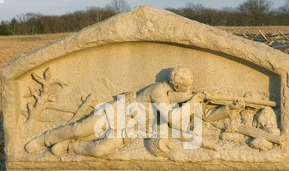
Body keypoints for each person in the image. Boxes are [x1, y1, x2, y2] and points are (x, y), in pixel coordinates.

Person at [24, 66, 204, 157]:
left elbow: (180, 97)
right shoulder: (159, 90)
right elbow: (171, 117)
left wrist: (194, 98)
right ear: (177, 84)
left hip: (129, 126)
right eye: (187, 86)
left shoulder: (172, 92)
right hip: (118, 111)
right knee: (79, 130)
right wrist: (193, 102)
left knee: (101, 150)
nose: (189, 90)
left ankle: (69, 147)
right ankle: (44, 138)